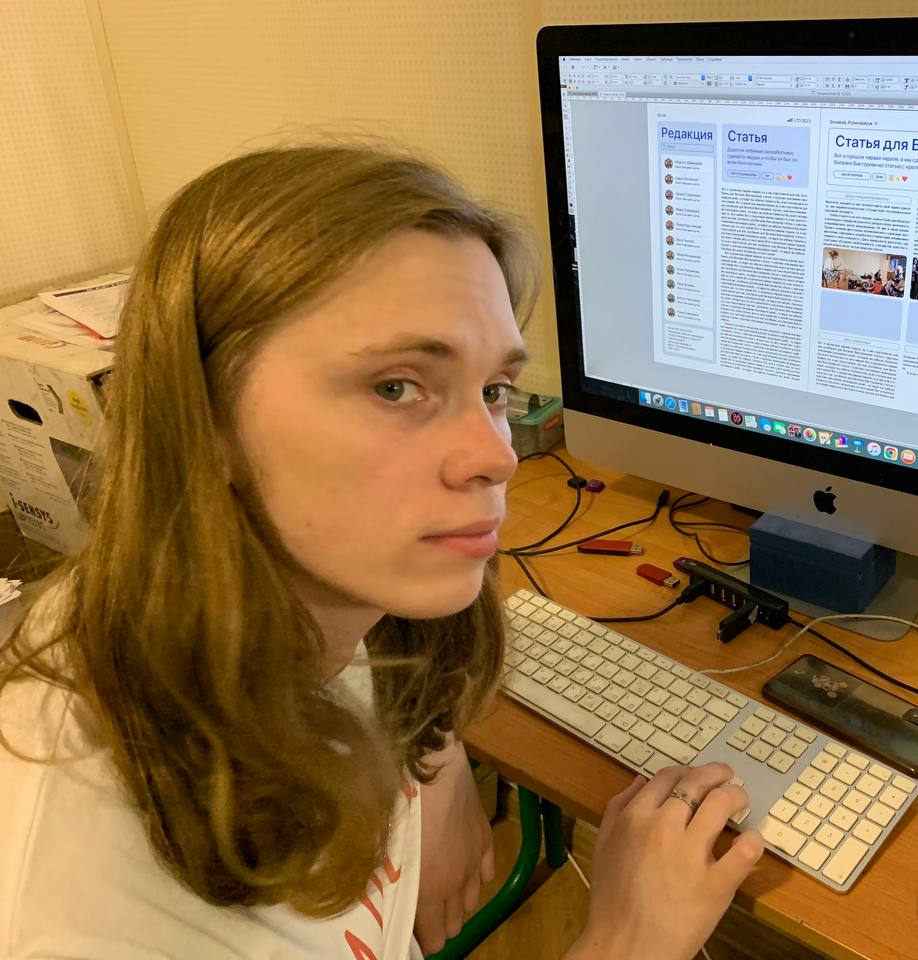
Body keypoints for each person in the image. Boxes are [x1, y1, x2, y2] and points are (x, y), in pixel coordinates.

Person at [0, 144, 763, 960]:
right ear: (204, 419)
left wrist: (433, 763)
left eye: (494, 391)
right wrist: (627, 941)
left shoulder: (302, 594)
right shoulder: (82, 920)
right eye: (397, 387)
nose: (497, 455)